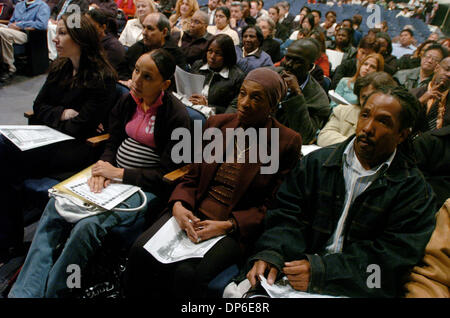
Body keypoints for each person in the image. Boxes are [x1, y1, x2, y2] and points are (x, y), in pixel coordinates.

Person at [8, 49, 192, 298]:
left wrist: (119, 173)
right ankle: (25, 292)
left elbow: (167, 176)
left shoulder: (177, 116)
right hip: (112, 177)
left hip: (143, 188)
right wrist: (101, 170)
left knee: (88, 226)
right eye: (136, 70)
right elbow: (112, 143)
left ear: (165, 84)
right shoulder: (128, 100)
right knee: (55, 206)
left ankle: (56, 292)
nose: (136, 80)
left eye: (147, 77)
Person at [226, 86, 437, 298]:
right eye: (365, 115)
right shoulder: (317, 163)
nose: (367, 128)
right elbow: (285, 217)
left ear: (402, 135)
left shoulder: (414, 191)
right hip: (292, 274)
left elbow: (391, 262)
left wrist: (323, 272)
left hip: (355, 288)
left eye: (383, 121)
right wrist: (272, 253)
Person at [122, 67, 302, 299]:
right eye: (243, 93)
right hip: (192, 211)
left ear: (272, 105)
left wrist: (228, 225)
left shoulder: (284, 142)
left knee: (187, 274)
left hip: (232, 226)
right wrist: (178, 205)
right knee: (140, 251)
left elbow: (273, 204)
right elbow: (192, 176)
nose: (245, 103)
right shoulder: (217, 124)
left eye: (256, 97)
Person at [0, 14, 117, 264]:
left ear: (80, 39)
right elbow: (38, 105)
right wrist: (62, 113)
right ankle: (9, 237)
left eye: (63, 33)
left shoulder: (102, 77)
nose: (56, 38)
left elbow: (79, 128)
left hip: (77, 149)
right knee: (3, 155)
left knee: (4, 156)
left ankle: (8, 239)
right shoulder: (60, 66)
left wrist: (54, 116)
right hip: (47, 139)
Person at [318, 72, 398, 147]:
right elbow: (324, 137)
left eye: (373, 97)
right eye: (364, 97)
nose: (367, 103)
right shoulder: (342, 111)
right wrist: (356, 145)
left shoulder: (391, 120)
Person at [117, 12, 187, 82]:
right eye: (143, 27)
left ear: (164, 32)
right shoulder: (138, 46)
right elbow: (121, 70)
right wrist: (127, 81)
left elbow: (177, 83)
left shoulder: (175, 55)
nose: (144, 32)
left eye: (150, 29)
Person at [189, 34, 244, 114]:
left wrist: (207, 107)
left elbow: (233, 108)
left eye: (218, 53)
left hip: (214, 117)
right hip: (190, 108)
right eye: (210, 51)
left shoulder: (237, 77)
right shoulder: (198, 65)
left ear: (227, 55)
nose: (212, 56)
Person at [0, 0, 50, 83]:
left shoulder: (42, 6)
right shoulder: (19, 5)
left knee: (1, 31)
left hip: (27, 33)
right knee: (2, 31)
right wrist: (12, 25)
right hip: (12, 30)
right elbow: (11, 22)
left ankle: (10, 67)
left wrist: (20, 25)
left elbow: (42, 24)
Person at [412, 56, 450, 133]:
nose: (449, 74)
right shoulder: (413, 94)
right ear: (436, 68)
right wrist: (419, 102)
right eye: (447, 69)